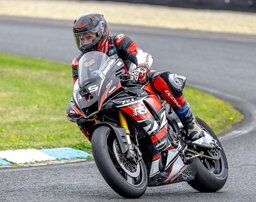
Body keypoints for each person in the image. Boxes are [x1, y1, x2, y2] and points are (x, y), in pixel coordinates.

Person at [66, 13, 204, 142]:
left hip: (135, 84)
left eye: (88, 37)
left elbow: (140, 54)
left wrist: (142, 68)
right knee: (82, 118)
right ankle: (108, 146)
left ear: (100, 33)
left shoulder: (118, 41)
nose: (84, 42)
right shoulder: (78, 63)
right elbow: (79, 86)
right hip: (108, 97)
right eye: (81, 39)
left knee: (163, 79)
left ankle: (190, 124)